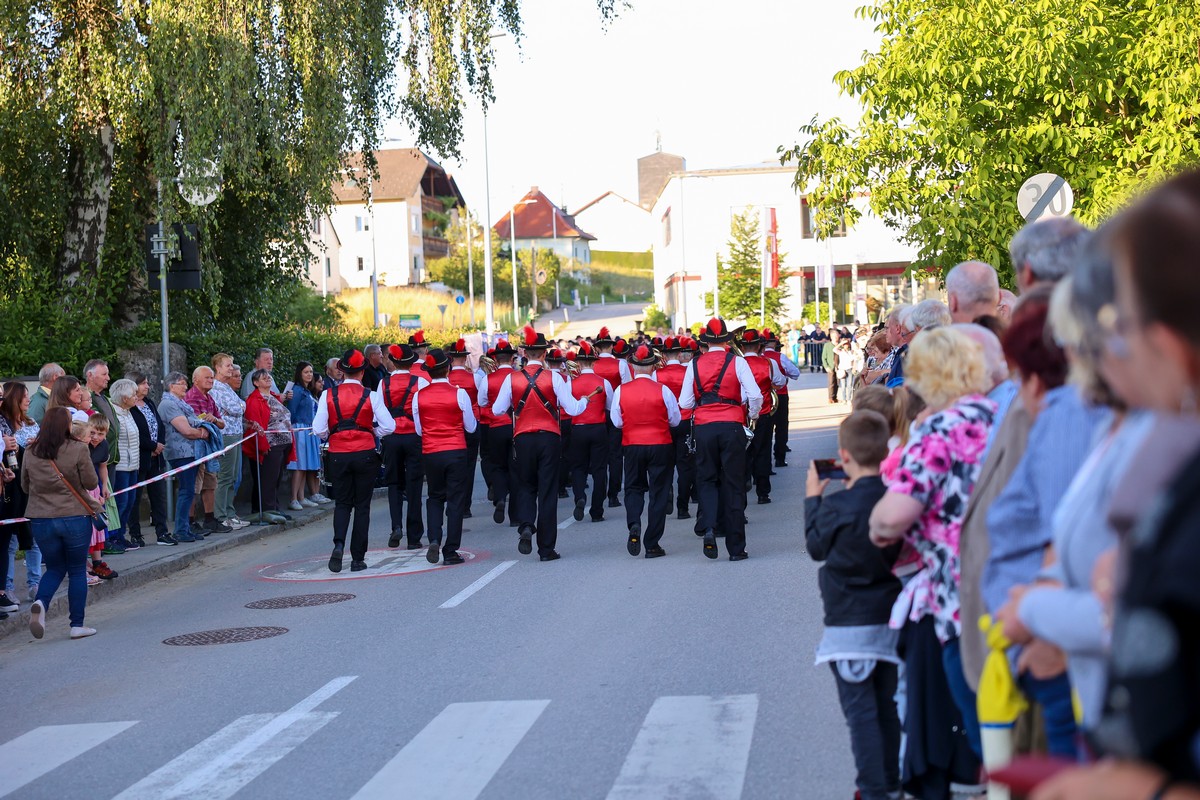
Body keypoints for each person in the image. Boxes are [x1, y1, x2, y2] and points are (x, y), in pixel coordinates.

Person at [869, 327, 994, 786]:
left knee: (978, 719)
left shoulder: (937, 427)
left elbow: (891, 518)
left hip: (958, 594)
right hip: (1002, 582)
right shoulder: (993, 414)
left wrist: (875, 522)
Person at [806, 410, 902, 800]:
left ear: (843, 456)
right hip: (891, 615)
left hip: (848, 621)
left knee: (860, 714)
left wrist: (813, 498)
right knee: (888, 707)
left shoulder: (836, 505)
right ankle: (891, 781)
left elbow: (816, 547)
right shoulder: (896, 499)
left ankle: (872, 787)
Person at [490, 326, 594, 561]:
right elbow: (573, 408)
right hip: (549, 439)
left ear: (525, 353)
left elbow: (496, 409)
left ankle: (526, 524)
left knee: (525, 485)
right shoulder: (554, 377)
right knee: (547, 492)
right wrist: (585, 400)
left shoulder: (511, 378)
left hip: (523, 438)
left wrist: (517, 410)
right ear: (545, 354)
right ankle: (546, 549)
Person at [678, 318, 762, 561]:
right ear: (727, 340)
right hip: (732, 425)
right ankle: (736, 549)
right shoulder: (738, 362)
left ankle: (710, 528)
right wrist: (752, 414)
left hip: (704, 427)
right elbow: (754, 395)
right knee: (734, 483)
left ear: (705, 342)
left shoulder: (693, 365)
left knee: (706, 479)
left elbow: (684, 403)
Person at [23, 407, 103, 640]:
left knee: (55, 567)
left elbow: (25, 486)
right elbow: (90, 483)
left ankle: (41, 602)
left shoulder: (30, 450)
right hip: (74, 516)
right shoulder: (78, 448)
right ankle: (77, 624)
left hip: (41, 518)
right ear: (67, 425)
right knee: (77, 570)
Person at [312, 349, 395, 572]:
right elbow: (389, 426)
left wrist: (334, 432)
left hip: (338, 454)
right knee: (362, 506)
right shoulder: (371, 395)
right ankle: (358, 558)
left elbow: (318, 429)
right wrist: (371, 432)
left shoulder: (328, 395)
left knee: (342, 503)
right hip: (365, 453)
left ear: (342, 372)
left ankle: (338, 545)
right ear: (362, 371)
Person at [611, 344, 681, 558]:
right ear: (653, 367)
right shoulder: (663, 389)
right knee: (658, 493)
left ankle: (634, 523)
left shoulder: (621, 390)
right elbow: (675, 420)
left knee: (633, 487)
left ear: (632, 366)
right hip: (660, 444)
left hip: (632, 444)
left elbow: (616, 422)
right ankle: (652, 544)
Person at [412, 348, 476, 565]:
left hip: (431, 452)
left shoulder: (419, 396)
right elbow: (471, 426)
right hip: (456, 451)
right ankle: (450, 550)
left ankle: (434, 538)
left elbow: (420, 430)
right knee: (456, 500)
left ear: (429, 372)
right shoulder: (459, 393)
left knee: (435, 497)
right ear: (448, 369)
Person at [378, 343, 429, 548]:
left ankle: (396, 526)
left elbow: (379, 413)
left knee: (394, 484)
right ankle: (414, 536)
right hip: (414, 437)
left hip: (391, 437)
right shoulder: (421, 382)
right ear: (411, 362)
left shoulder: (383, 384)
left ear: (393, 361)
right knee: (414, 485)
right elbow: (424, 412)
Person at [158, 371, 212, 542]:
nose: (185, 386)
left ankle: (185, 528)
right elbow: (187, 430)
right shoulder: (168, 404)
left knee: (189, 490)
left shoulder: (180, 403)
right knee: (186, 490)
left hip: (191, 451)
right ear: (171, 386)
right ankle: (180, 529)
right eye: (182, 383)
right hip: (181, 452)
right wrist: (203, 433)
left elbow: (193, 422)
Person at [1, 382, 40, 608]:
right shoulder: (3, 423)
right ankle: (7, 586)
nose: (28, 400)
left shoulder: (31, 422)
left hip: (31, 482)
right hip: (12, 482)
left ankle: (35, 583)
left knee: (32, 534)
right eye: (25, 396)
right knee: (11, 539)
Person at [125, 372, 175, 545]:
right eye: (143, 383)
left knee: (158, 496)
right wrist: (152, 446)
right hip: (140, 458)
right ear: (133, 385)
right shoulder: (128, 407)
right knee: (135, 497)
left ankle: (162, 532)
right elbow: (133, 432)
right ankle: (135, 534)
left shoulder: (149, 403)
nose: (147, 386)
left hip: (156, 457)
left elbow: (159, 425)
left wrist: (159, 444)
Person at [567, 340, 613, 522]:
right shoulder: (604, 382)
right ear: (594, 362)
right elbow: (610, 407)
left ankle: (580, 497)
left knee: (578, 468)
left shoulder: (571, 384)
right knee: (600, 469)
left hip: (578, 429)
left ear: (578, 363)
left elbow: (568, 408)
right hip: (598, 428)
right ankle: (597, 511)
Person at [243, 368, 294, 525]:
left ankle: (275, 507)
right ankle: (268, 510)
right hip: (270, 445)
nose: (267, 378)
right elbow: (255, 424)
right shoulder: (253, 400)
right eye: (263, 377)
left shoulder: (273, 396)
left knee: (276, 478)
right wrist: (263, 446)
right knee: (268, 479)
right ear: (255, 383)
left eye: (269, 376)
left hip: (282, 443)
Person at [741, 329, 786, 503]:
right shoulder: (768, 363)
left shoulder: (737, 363)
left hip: (742, 414)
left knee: (743, 452)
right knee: (763, 451)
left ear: (743, 346)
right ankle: (763, 493)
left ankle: (744, 482)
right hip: (763, 412)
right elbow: (781, 381)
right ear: (760, 345)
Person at [185, 366, 229, 534]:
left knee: (210, 483)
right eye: (207, 378)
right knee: (195, 485)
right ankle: (190, 522)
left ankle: (210, 519)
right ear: (195, 380)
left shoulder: (209, 398)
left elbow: (221, 423)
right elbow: (195, 422)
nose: (211, 381)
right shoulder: (191, 397)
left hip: (210, 447)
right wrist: (210, 420)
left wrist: (214, 420)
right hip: (197, 447)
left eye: (212, 378)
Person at [209, 354, 251, 530]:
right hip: (226, 435)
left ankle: (230, 513)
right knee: (225, 476)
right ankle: (221, 515)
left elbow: (241, 406)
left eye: (232, 365)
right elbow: (236, 408)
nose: (231, 368)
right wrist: (240, 407)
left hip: (236, 433)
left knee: (233, 476)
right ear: (218, 368)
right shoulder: (216, 388)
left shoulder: (227, 388)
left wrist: (240, 407)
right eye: (228, 365)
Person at [592, 327, 631, 507]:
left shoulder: (592, 365)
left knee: (600, 455)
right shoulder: (621, 364)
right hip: (616, 411)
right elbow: (628, 389)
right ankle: (613, 494)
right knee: (616, 454)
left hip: (596, 411)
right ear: (611, 347)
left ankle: (599, 493)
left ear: (598, 348)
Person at [655, 337, 694, 519]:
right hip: (685, 421)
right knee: (685, 465)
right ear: (679, 354)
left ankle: (667, 492)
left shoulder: (657, 374)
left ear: (663, 354)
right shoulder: (688, 372)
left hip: (664, 423)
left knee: (665, 464)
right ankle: (682, 507)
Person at [480, 339, 517, 525]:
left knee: (498, 466)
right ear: (512, 359)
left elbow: (481, 402)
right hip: (515, 427)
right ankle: (516, 515)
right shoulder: (519, 376)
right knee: (515, 467)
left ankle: (501, 498)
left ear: (496, 359)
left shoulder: (487, 379)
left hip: (495, 427)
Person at [446, 339, 482, 519]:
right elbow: (482, 400)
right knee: (468, 468)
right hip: (472, 425)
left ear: (451, 358)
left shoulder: (445, 378)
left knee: (450, 467)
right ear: (465, 358)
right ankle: (465, 506)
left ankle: (452, 502)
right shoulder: (475, 377)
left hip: (450, 426)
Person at [286, 361, 328, 510]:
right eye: (306, 372)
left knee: (304, 466)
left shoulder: (306, 391)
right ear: (299, 373)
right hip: (299, 430)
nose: (309, 374)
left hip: (308, 430)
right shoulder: (297, 390)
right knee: (299, 465)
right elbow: (291, 412)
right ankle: (293, 498)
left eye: (311, 372)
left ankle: (301, 497)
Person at [107, 379, 142, 551]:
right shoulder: (114, 413)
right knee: (120, 503)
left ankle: (121, 535)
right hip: (120, 466)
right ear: (124, 397)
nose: (136, 397)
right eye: (133, 394)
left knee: (130, 502)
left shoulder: (129, 413)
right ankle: (113, 537)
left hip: (133, 464)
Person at [762, 329, 800, 468]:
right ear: (773, 343)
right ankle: (779, 458)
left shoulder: (758, 358)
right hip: (780, 395)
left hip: (763, 397)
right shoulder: (780, 357)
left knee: (765, 429)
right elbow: (795, 373)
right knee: (781, 427)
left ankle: (765, 463)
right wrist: (784, 377)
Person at [83, 359, 119, 468]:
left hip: (110, 458)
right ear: (90, 375)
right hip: (95, 459)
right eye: (104, 374)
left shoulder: (104, 398)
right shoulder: (83, 400)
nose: (108, 378)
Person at [822, 329, 842, 403]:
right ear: (831, 337)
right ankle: (830, 397)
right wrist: (826, 366)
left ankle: (835, 397)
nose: (836, 337)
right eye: (834, 336)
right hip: (831, 366)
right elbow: (824, 357)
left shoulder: (840, 344)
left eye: (837, 336)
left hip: (839, 366)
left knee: (837, 382)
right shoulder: (827, 345)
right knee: (831, 383)